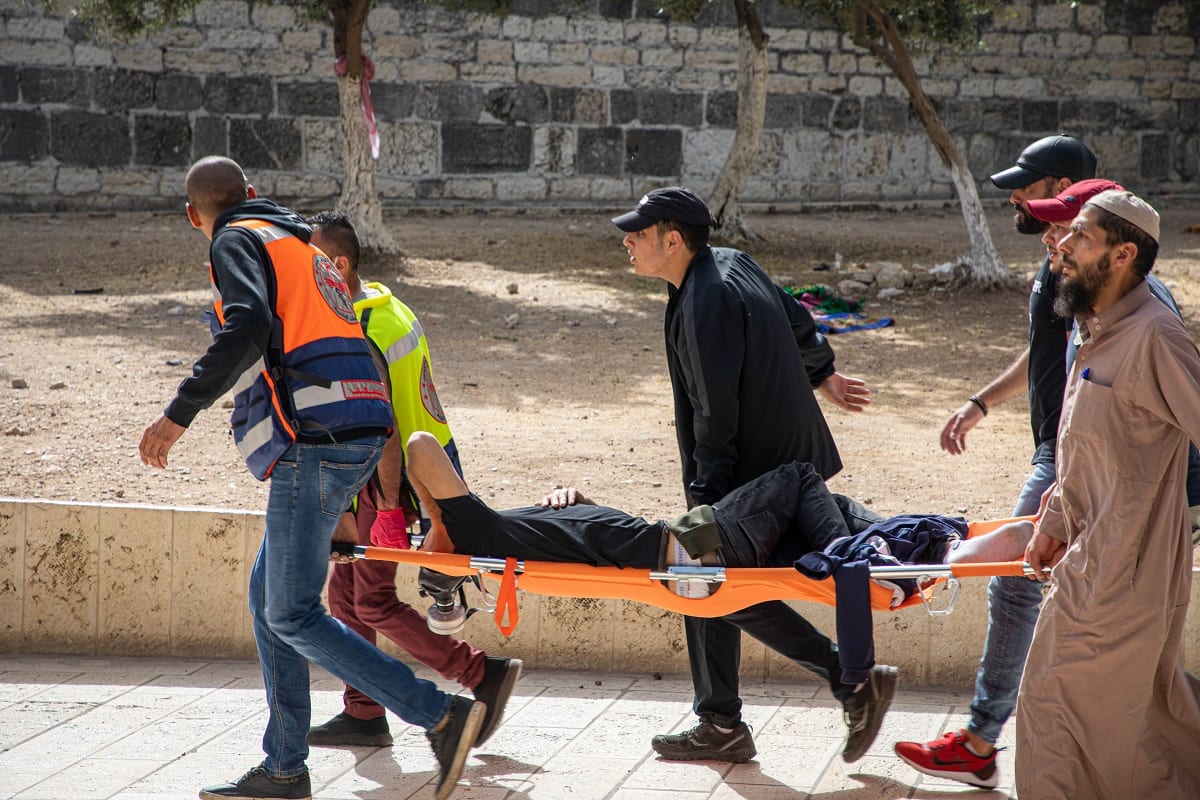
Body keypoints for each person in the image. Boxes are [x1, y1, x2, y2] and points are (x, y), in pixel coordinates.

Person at [137, 157, 484, 800]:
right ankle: (284, 766)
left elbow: (245, 325)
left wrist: (178, 413)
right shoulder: (297, 238)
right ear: (252, 192)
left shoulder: (235, 239)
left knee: (292, 612)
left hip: (315, 442)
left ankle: (440, 715)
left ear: (192, 215)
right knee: (268, 600)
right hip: (358, 429)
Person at [611, 187, 890, 766]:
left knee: (697, 572)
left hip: (757, 479)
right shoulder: (731, 263)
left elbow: (715, 414)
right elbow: (797, 316)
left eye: (638, 233)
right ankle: (721, 721)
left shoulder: (704, 302)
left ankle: (845, 681)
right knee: (704, 578)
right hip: (783, 469)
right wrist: (824, 373)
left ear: (672, 240)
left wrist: (705, 508)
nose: (628, 242)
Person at [894, 134, 1096, 788]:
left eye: (1026, 187)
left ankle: (982, 741)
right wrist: (982, 402)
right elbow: (1044, 351)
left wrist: (1071, 465)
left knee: (1016, 579)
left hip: (1072, 453)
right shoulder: (1058, 260)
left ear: (1062, 188)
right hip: (1056, 449)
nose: (1014, 199)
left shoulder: (1095, 266)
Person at [302, 212, 521, 751]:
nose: (303, 271)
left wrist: (387, 509)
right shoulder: (387, 307)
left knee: (372, 601)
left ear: (338, 265)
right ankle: (362, 710)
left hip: (390, 483)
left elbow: (386, 427)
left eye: (311, 260)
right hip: (413, 475)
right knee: (345, 595)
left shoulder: (361, 329)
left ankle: (480, 673)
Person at [1017, 190, 1200, 798]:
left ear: (1123, 255)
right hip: (1088, 557)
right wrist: (1055, 520)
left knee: (1053, 710)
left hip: (1125, 572)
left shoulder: (1155, 336)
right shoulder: (1096, 329)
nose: (1061, 247)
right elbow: (1087, 447)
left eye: (1081, 237)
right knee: (1132, 722)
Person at [405, 431, 1034, 586]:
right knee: (799, 476)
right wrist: (436, 519)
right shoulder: (476, 531)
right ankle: (863, 558)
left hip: (685, 543)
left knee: (827, 503)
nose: (424, 538)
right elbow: (419, 446)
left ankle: (938, 545)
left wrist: (578, 503)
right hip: (691, 541)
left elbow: (591, 536)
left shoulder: (498, 532)